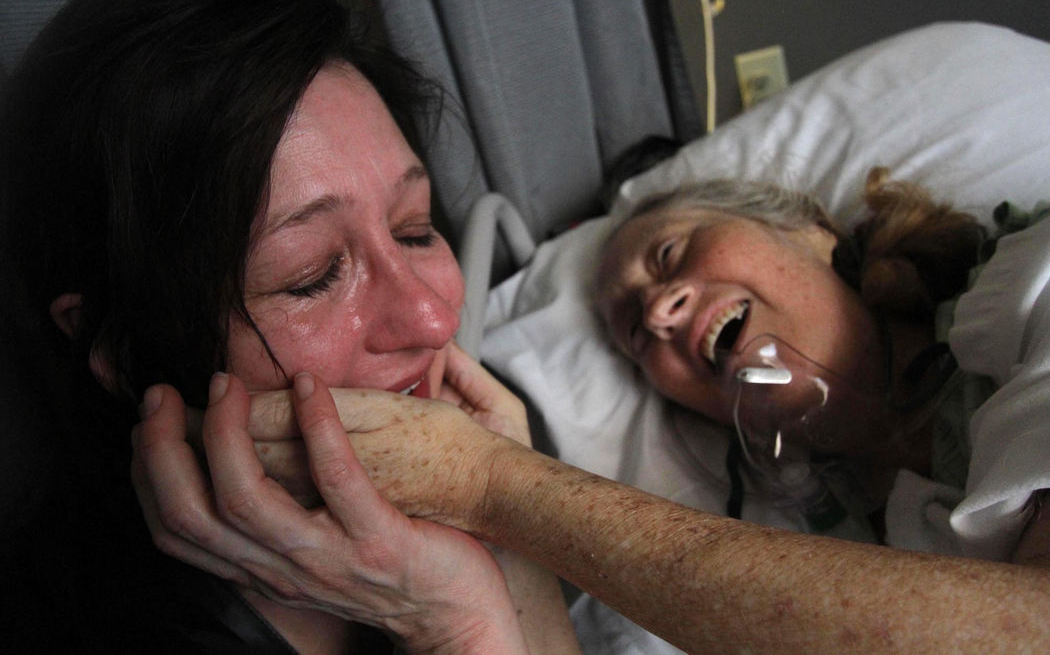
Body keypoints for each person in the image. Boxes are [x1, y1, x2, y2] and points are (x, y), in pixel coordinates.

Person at [135, 170, 1050, 651]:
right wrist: (492, 572)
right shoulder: (850, 538)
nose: (656, 313)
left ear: (804, 230)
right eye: (631, 334)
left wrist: (493, 485)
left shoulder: (1028, 288)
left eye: (672, 254)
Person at [0, 0, 578, 652]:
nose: (432, 320)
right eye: (310, 276)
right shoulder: (75, 625)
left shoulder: (492, 432)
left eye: (415, 230)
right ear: (119, 348)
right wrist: (458, 626)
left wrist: (508, 521)